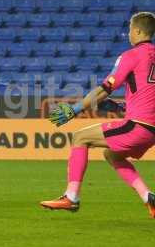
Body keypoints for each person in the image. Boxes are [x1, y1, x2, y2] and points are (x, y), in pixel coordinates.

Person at [40, 12, 155, 218]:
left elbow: (104, 89)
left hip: (137, 126)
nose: (129, 34)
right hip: (150, 130)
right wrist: (124, 106)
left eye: (130, 30)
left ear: (137, 31)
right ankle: (148, 196)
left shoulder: (130, 56)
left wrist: (74, 110)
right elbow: (147, 93)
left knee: (80, 137)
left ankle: (71, 197)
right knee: (111, 154)